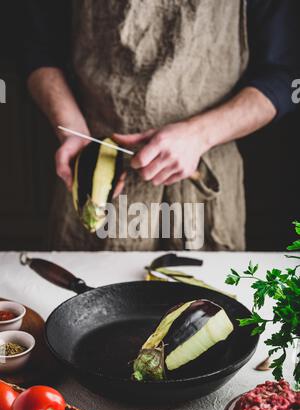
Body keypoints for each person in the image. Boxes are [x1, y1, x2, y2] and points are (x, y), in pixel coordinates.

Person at [23, 0, 299, 251]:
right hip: (96, 169)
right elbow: (36, 47)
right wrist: (70, 127)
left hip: (202, 172)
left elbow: (288, 75)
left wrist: (200, 135)